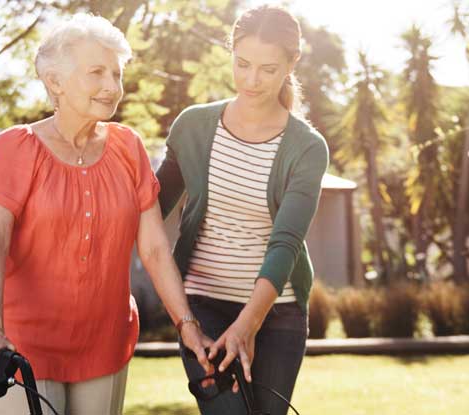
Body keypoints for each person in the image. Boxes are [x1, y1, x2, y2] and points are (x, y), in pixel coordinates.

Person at [0, 14, 215, 415]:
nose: (112, 86)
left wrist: (186, 324)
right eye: (97, 72)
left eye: (116, 74)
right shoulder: (16, 147)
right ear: (55, 81)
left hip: (102, 341)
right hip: (18, 339)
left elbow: (152, 248)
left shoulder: (128, 147)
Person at [154, 5, 329, 414]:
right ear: (230, 54)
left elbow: (286, 243)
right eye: (242, 63)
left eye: (268, 68)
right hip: (203, 308)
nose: (252, 80)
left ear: (291, 63)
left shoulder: (306, 148)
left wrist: (248, 325)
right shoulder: (192, 127)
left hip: (277, 315)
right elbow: (147, 209)